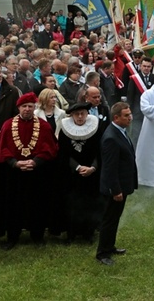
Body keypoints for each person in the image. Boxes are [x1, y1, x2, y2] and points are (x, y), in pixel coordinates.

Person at [0, 92, 58, 250]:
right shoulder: (8, 125)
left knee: (38, 204)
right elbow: (3, 148)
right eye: (24, 106)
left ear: (34, 108)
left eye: (30, 106)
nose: (27, 109)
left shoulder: (43, 125)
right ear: (19, 108)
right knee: (13, 205)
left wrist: (35, 162)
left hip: (37, 172)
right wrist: (15, 163)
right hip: (14, 173)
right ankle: (12, 237)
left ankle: (37, 236)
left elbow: (49, 148)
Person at [96, 102, 137, 266]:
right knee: (109, 219)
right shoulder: (111, 138)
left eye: (130, 114)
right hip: (114, 188)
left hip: (121, 184)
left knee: (115, 218)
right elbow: (109, 168)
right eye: (126, 116)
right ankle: (102, 253)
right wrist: (116, 190)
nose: (130, 118)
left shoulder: (120, 131)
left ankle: (110, 246)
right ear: (116, 117)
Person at [58, 102, 103, 243]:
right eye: (77, 114)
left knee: (90, 203)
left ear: (87, 114)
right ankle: (71, 233)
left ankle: (88, 233)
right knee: (72, 203)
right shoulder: (64, 130)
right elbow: (63, 153)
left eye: (83, 113)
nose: (80, 116)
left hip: (92, 174)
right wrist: (77, 167)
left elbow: (100, 152)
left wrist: (93, 167)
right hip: (72, 174)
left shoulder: (96, 128)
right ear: (71, 115)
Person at [126, 57, 154, 148]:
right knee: (136, 135)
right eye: (144, 66)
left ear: (151, 67)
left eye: (148, 66)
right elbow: (130, 96)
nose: (146, 68)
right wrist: (130, 111)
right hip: (137, 112)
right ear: (141, 67)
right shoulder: (135, 79)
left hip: (151, 112)